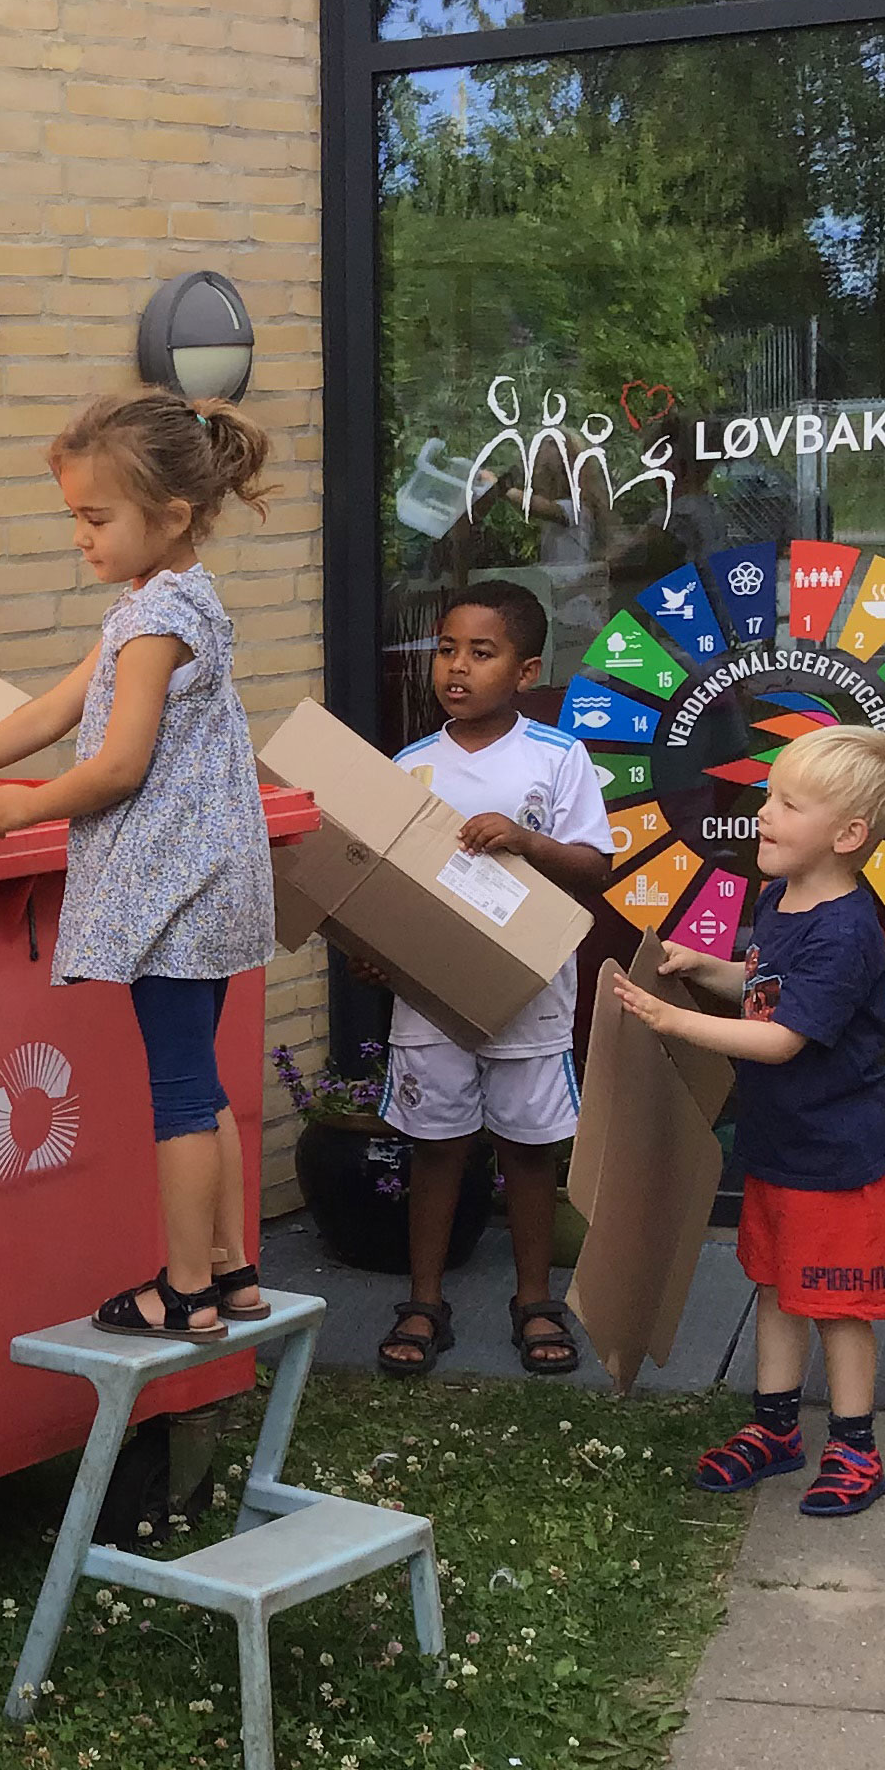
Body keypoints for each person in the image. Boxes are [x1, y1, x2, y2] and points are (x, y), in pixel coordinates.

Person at [0, 385, 279, 1338]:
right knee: (201, 1079)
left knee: (180, 1091)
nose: (80, 537)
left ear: (171, 515)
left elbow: (119, 764)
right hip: (211, 884)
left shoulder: (154, 622)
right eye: (74, 518)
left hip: (174, 892)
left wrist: (30, 806)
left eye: (97, 517)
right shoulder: (167, 601)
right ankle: (232, 1272)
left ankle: (185, 1293)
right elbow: (54, 708)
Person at [612, 724, 885, 1518]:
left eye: (788, 804)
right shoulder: (781, 900)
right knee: (776, 1287)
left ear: (847, 835)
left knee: (839, 1305)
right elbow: (765, 989)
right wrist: (705, 969)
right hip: (779, 1146)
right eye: (769, 796)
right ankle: (775, 1429)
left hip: (837, 1159)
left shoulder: (846, 932)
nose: (763, 814)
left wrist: (674, 1021)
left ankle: (856, 1446)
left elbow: (780, 1039)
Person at [363, 584, 610, 1380]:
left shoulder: (557, 757)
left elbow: (594, 867)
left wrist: (525, 842)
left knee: (528, 1149)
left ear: (526, 671)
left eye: (481, 653)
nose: (457, 669)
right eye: (446, 651)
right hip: (430, 996)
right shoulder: (410, 767)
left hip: (529, 992)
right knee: (436, 1147)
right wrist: (375, 949)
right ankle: (424, 1301)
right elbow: (379, 883)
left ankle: (534, 1300)